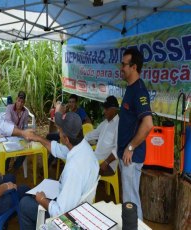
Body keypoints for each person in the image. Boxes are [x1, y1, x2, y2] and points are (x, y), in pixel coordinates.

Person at [19, 111, 99, 230]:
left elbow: (60, 213)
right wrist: (38, 138)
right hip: (75, 202)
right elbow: (59, 149)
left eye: (60, 131)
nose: (58, 133)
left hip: (67, 219)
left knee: (24, 204)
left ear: (66, 139)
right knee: (27, 190)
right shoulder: (83, 147)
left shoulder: (74, 169)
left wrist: (42, 200)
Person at [118, 48, 153, 220]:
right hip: (126, 156)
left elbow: (148, 125)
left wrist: (130, 147)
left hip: (131, 157)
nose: (121, 68)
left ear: (134, 67)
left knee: (131, 202)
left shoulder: (139, 90)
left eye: (124, 64)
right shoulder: (131, 88)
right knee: (129, 200)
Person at [85, 95, 119, 176]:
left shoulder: (119, 125)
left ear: (114, 109)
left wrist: (106, 162)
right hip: (96, 159)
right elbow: (92, 134)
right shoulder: (104, 123)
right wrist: (81, 139)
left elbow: (118, 149)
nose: (104, 111)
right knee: (78, 161)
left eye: (106, 109)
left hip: (107, 165)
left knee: (82, 170)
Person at [5, 91, 29, 170]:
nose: (20, 103)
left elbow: (25, 125)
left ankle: (15, 166)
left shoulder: (26, 112)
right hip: (9, 134)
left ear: (24, 102)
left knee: (26, 150)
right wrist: (20, 131)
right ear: (16, 99)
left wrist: (26, 133)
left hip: (19, 136)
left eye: (22, 102)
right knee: (8, 150)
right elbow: (8, 121)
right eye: (19, 100)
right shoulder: (9, 108)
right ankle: (6, 167)